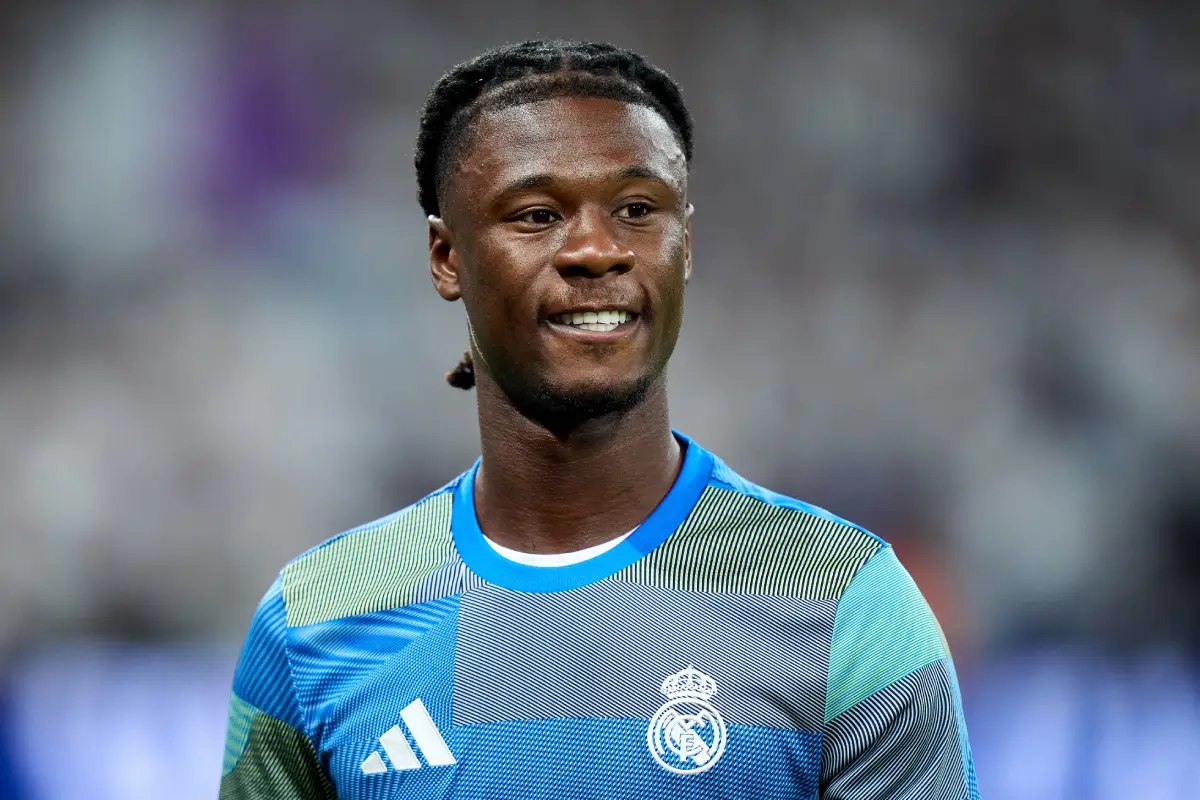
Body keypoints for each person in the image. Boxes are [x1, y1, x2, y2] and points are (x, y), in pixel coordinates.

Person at [218, 40, 979, 800]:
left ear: (685, 246)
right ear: (446, 257)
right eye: (538, 214)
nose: (595, 249)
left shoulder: (843, 603)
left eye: (638, 210)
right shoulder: (318, 622)